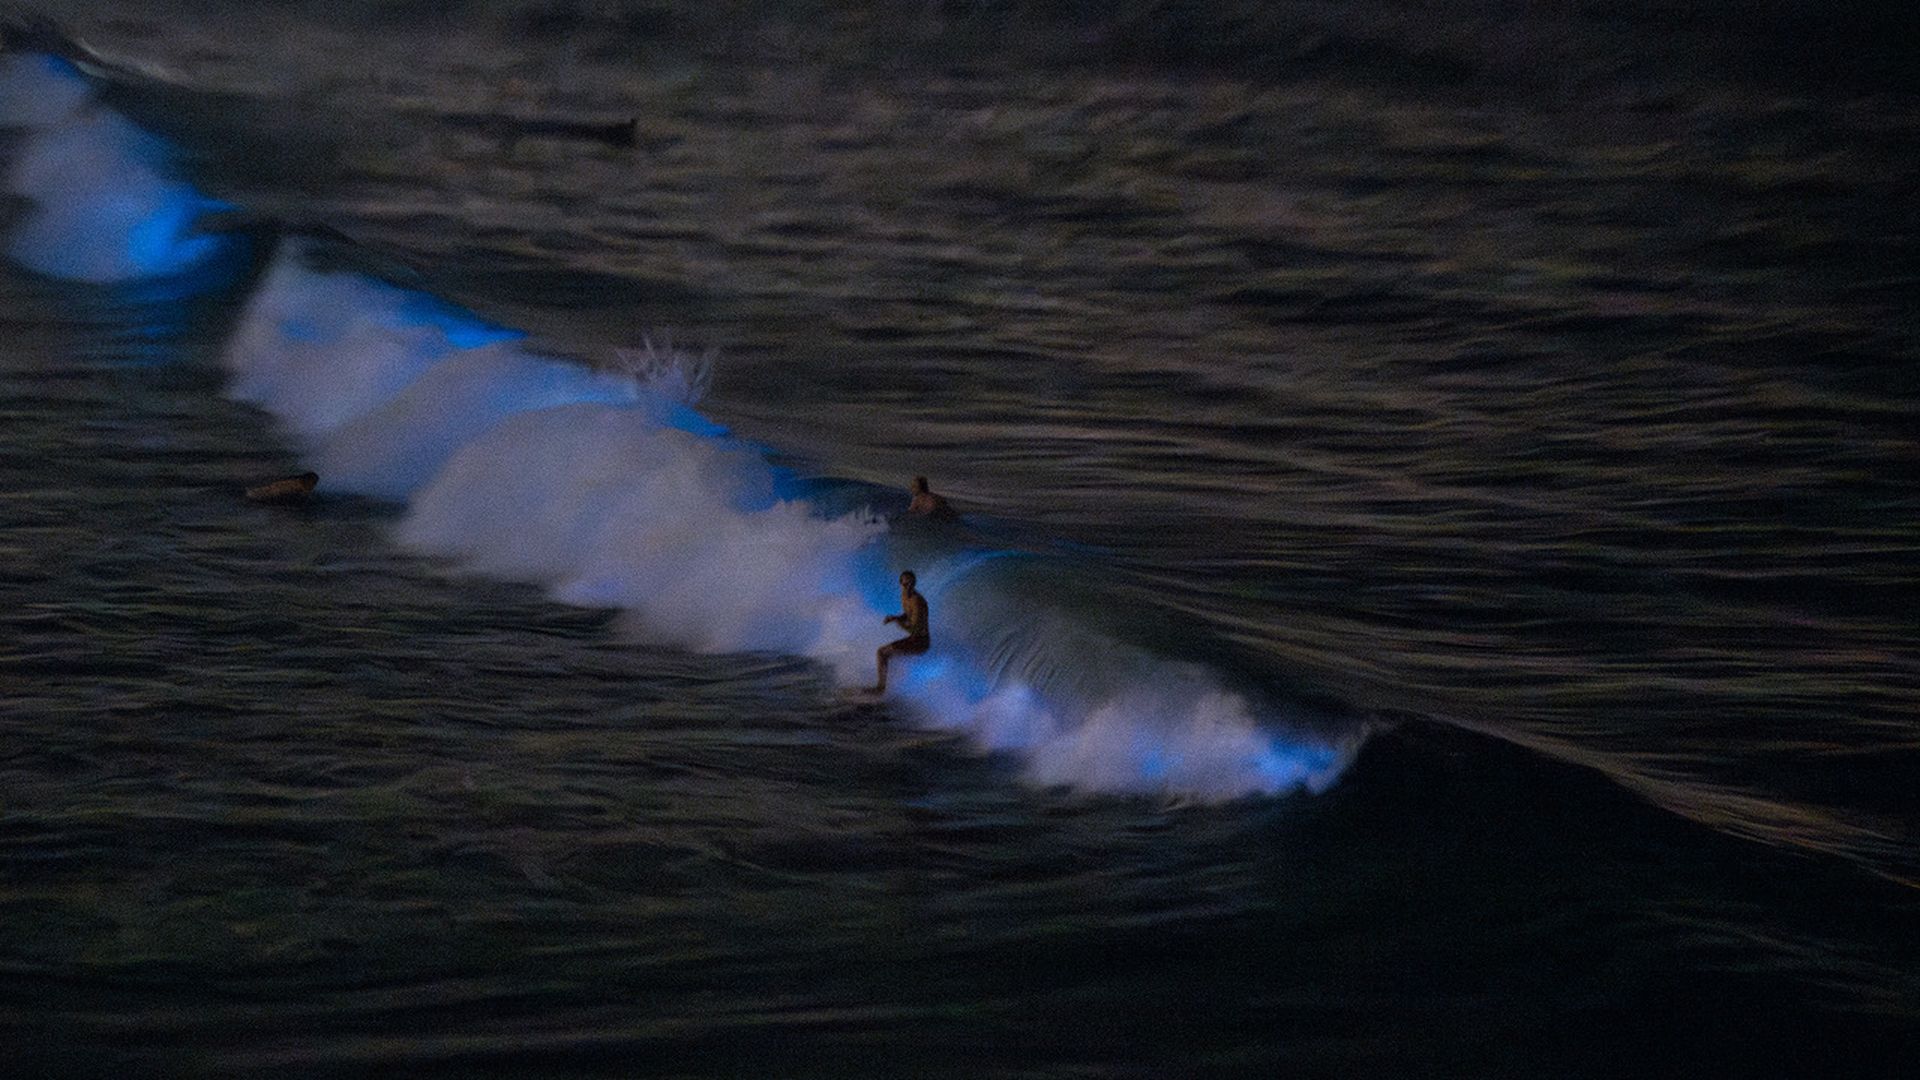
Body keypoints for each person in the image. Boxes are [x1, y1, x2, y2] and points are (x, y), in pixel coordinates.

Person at [871, 570, 930, 694]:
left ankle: (880, 689)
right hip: (914, 639)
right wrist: (896, 617)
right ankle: (888, 690)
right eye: (905, 584)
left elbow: (914, 629)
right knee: (888, 655)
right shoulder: (904, 596)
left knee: (882, 653)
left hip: (920, 642)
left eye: (910, 585)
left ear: (914, 585)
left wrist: (898, 623)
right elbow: (908, 614)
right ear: (900, 584)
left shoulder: (917, 601)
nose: (907, 587)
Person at [245, 471, 318, 503]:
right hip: (266, 494)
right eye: (313, 483)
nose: (314, 485)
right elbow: (274, 490)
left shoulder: (298, 484)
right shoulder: (295, 486)